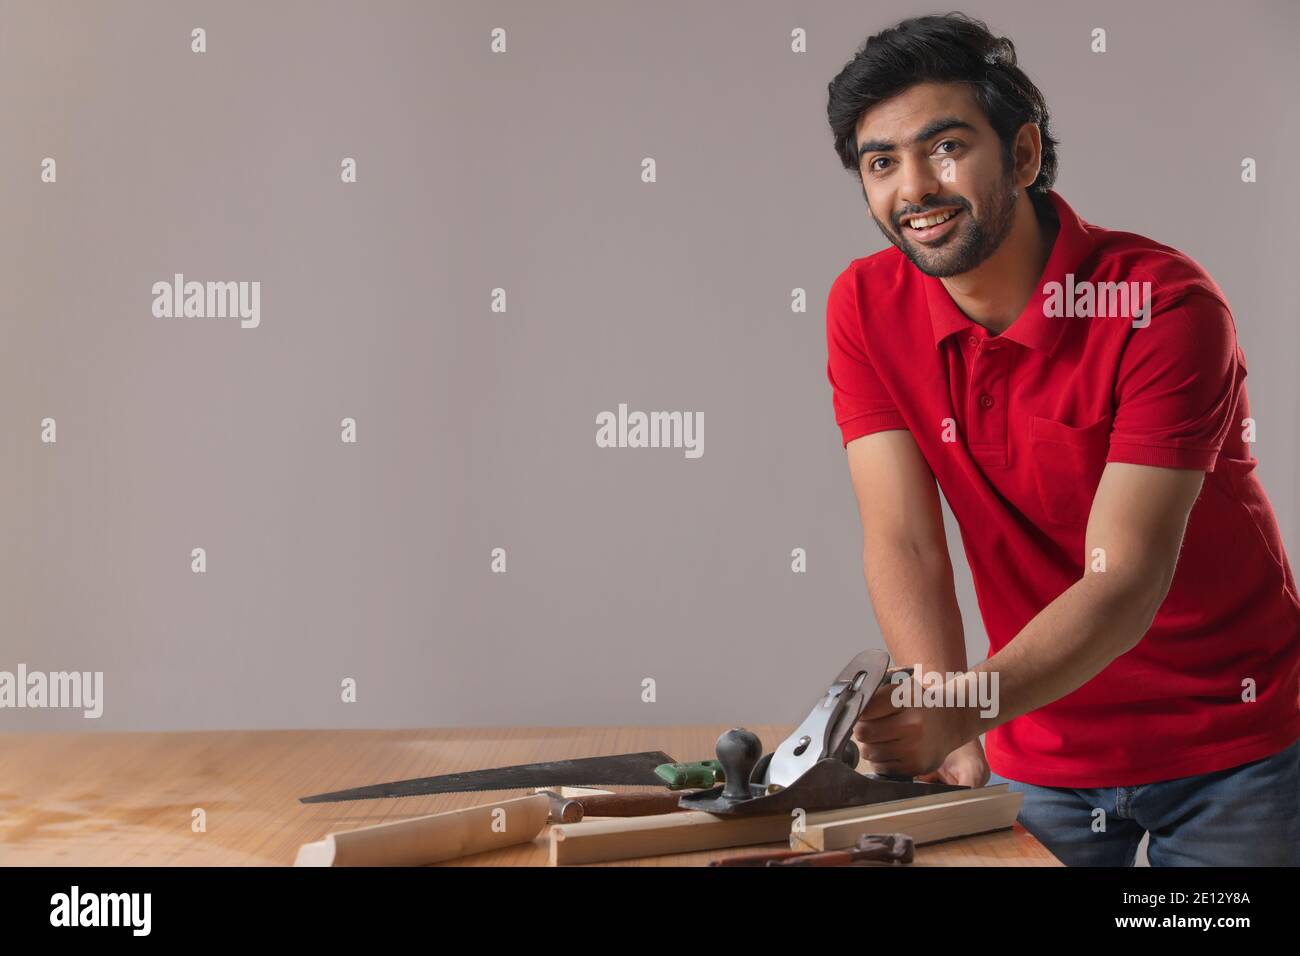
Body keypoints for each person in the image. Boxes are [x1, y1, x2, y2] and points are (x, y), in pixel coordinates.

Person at [824, 13, 1299, 866]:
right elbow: (903, 539)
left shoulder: (1159, 305)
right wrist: (947, 718)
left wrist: (962, 707)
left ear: (1024, 155)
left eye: (946, 146)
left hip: (1235, 744)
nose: (915, 188)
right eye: (881, 162)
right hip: (1033, 742)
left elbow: (1124, 581)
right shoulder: (863, 305)